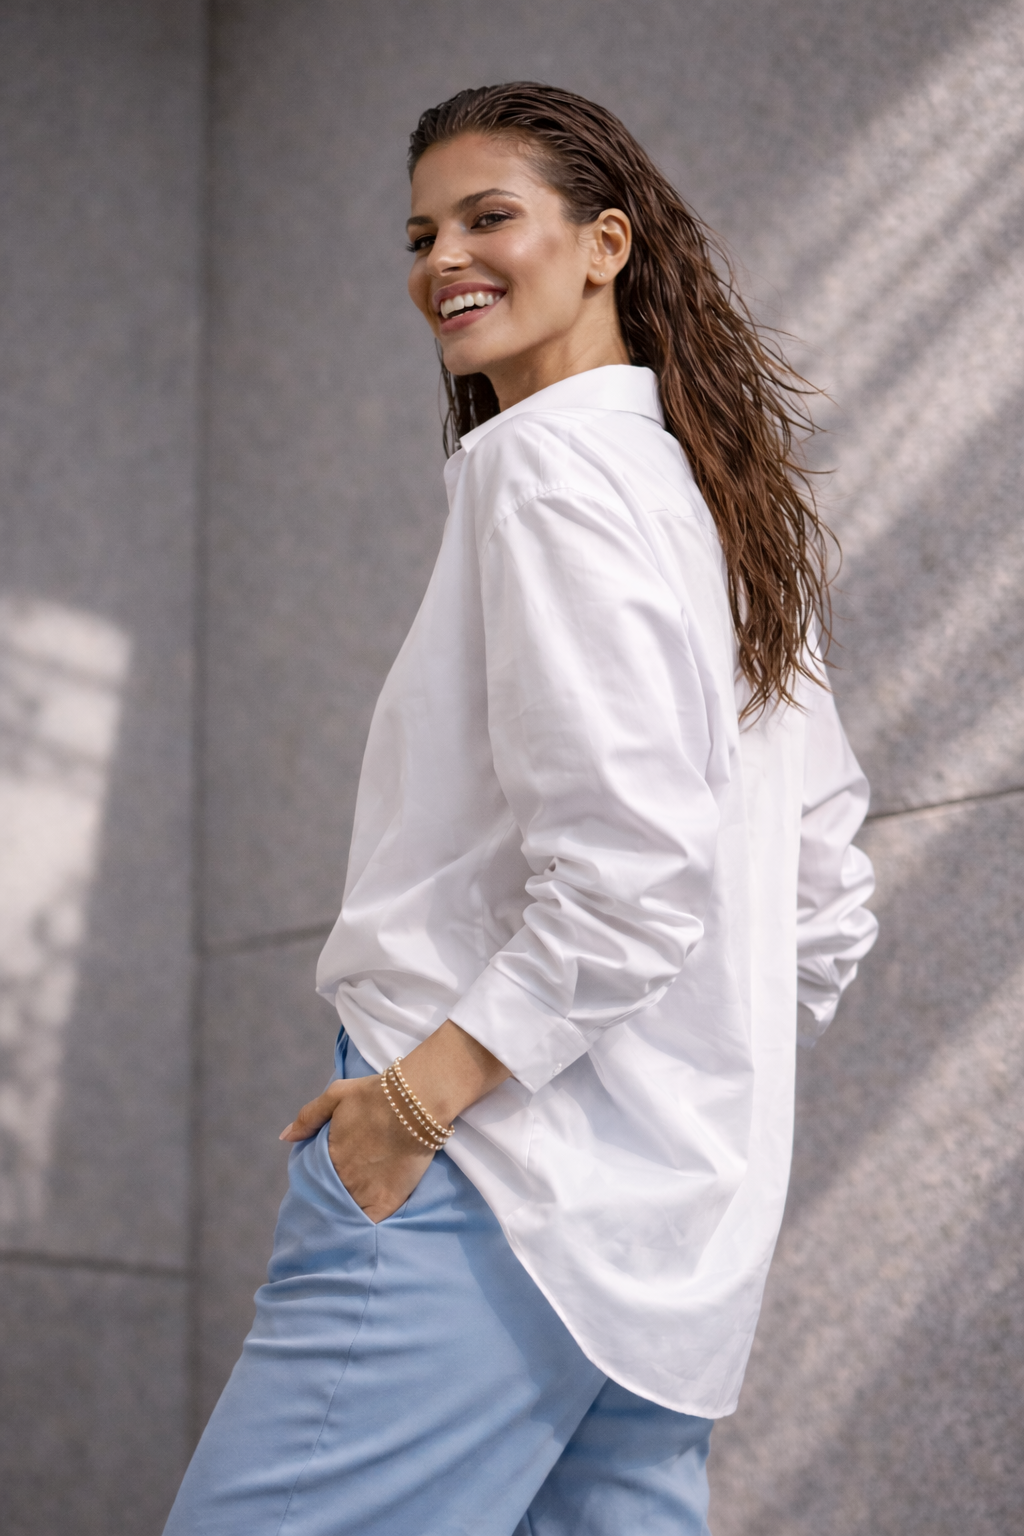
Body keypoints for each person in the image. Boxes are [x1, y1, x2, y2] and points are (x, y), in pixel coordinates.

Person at [163, 83, 878, 1536]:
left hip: (480, 1177)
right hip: (673, 1240)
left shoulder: (546, 468)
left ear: (607, 244)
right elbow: (825, 903)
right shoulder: (728, 517)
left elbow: (633, 875)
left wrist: (418, 1100)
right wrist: (677, 1082)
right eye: (420, 234)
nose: (444, 260)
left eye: (489, 218)